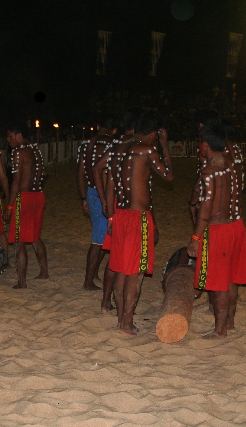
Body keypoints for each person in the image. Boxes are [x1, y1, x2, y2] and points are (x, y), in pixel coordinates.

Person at [105, 112, 174, 336]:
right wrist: (165, 145)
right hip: (137, 218)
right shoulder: (147, 150)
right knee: (135, 273)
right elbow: (169, 175)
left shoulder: (119, 150)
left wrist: (111, 216)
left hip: (121, 214)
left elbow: (110, 183)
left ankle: (120, 320)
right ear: (154, 134)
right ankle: (126, 323)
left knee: (121, 271)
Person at [187, 124, 246, 339]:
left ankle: (219, 330)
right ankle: (229, 323)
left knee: (220, 281)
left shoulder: (209, 171)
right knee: (232, 278)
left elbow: (206, 209)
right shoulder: (233, 165)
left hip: (219, 230)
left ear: (205, 144)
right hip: (236, 226)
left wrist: (196, 237)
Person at [92, 108, 140, 313]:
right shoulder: (136, 146)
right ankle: (114, 305)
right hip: (126, 207)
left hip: (116, 203)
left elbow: (98, 168)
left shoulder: (117, 145)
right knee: (123, 262)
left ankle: (106, 302)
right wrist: (105, 200)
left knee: (115, 258)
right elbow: (98, 168)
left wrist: (104, 200)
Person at [3, 120, 49, 289]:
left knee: (19, 239)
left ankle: (22, 281)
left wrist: (9, 205)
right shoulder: (36, 150)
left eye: (10, 136)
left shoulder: (18, 152)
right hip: (38, 195)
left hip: (25, 197)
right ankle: (44, 272)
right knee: (35, 236)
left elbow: (16, 181)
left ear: (18, 135)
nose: (8, 140)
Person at [77, 117, 117, 291]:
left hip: (90, 191)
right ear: (114, 130)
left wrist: (83, 197)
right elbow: (106, 174)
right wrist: (105, 200)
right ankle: (88, 281)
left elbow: (80, 173)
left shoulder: (86, 145)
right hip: (102, 194)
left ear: (98, 126)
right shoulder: (111, 144)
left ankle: (92, 275)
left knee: (102, 239)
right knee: (98, 240)